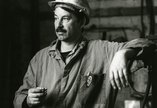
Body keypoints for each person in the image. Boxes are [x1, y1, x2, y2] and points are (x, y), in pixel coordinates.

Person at [13, 0, 156, 108]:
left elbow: (150, 45)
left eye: (66, 18)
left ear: (81, 21)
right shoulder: (40, 59)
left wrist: (123, 54)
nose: (59, 25)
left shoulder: (102, 51)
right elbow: (19, 98)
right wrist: (28, 100)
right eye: (56, 18)